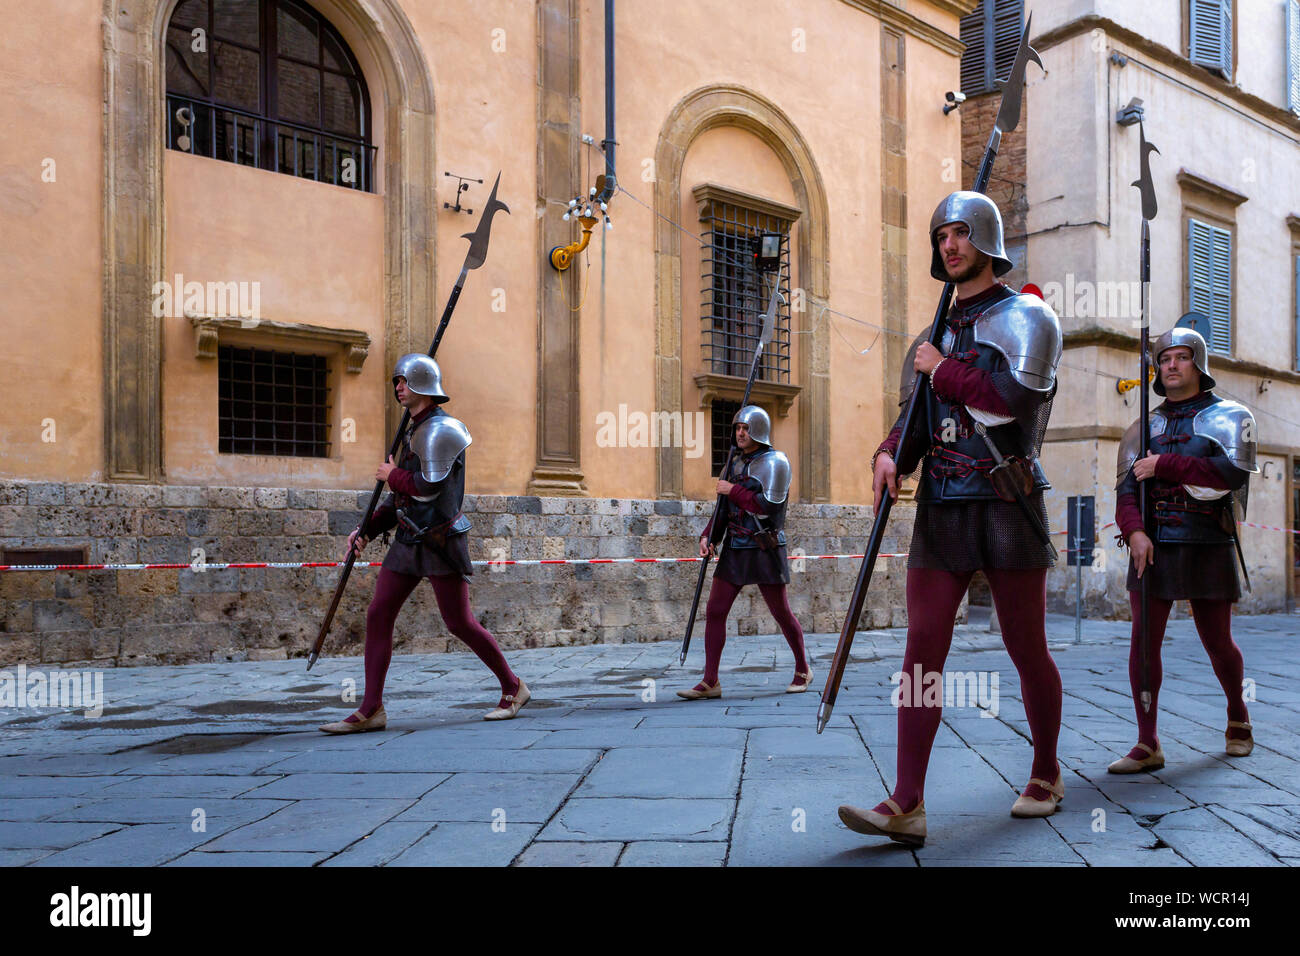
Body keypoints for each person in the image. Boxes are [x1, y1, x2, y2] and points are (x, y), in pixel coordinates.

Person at [838, 191, 1065, 846]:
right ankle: (907, 802)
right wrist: (888, 455)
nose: (950, 245)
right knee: (921, 654)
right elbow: (914, 425)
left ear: (985, 240)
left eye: (961, 233)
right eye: (942, 235)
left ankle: (1046, 773)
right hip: (942, 508)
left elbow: (1014, 404)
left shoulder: (1028, 317)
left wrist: (945, 371)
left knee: (1026, 648)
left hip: (1007, 502)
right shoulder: (930, 335)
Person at [319, 354, 528, 732]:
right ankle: (371, 709)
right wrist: (365, 530)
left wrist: (392, 473)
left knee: (458, 622)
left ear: (421, 385)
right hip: (407, 541)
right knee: (378, 613)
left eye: (403, 380)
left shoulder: (441, 430)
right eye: (396, 381)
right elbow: (400, 499)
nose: (397, 386)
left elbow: (427, 489)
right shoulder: (412, 430)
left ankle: (513, 688)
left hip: (438, 541)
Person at [1109, 327, 1258, 772]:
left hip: (1207, 541)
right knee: (1142, 644)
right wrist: (1134, 531)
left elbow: (1232, 472)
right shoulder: (1142, 425)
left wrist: (1165, 464)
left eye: (1181, 357)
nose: (1172, 365)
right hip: (1152, 545)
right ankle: (1147, 741)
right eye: (1166, 358)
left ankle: (1238, 717)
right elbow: (1125, 490)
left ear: (1198, 364)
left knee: (1217, 642)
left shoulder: (1232, 417)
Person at [677, 406, 812, 700]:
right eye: (737, 427)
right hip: (735, 548)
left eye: (746, 428)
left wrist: (732, 490)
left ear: (759, 431)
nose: (740, 432)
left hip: (765, 546)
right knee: (715, 610)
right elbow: (723, 510)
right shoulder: (732, 464)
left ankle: (803, 669)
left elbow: (768, 507)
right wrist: (708, 536)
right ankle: (710, 681)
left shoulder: (776, 462)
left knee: (781, 612)